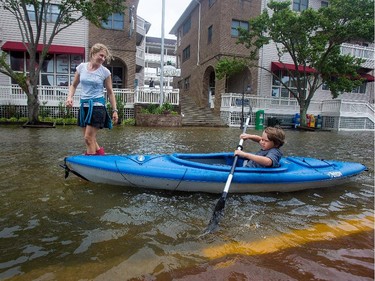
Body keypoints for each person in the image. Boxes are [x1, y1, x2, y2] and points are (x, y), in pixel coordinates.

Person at [65, 43, 118, 155]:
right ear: (93, 53)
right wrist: (69, 97)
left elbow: (110, 92)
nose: (103, 59)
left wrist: (115, 110)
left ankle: (91, 166)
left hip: (97, 107)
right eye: (101, 55)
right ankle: (101, 157)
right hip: (84, 107)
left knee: (88, 138)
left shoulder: (105, 72)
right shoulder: (81, 67)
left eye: (104, 57)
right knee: (91, 139)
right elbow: (74, 85)